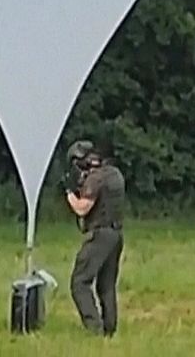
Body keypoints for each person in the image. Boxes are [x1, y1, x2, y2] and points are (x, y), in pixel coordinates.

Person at [64, 139, 126, 336]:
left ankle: (94, 328)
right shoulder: (114, 174)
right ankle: (109, 329)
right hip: (116, 234)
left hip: (100, 235)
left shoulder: (96, 178)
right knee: (106, 286)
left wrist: (69, 194)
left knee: (79, 282)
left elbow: (82, 208)